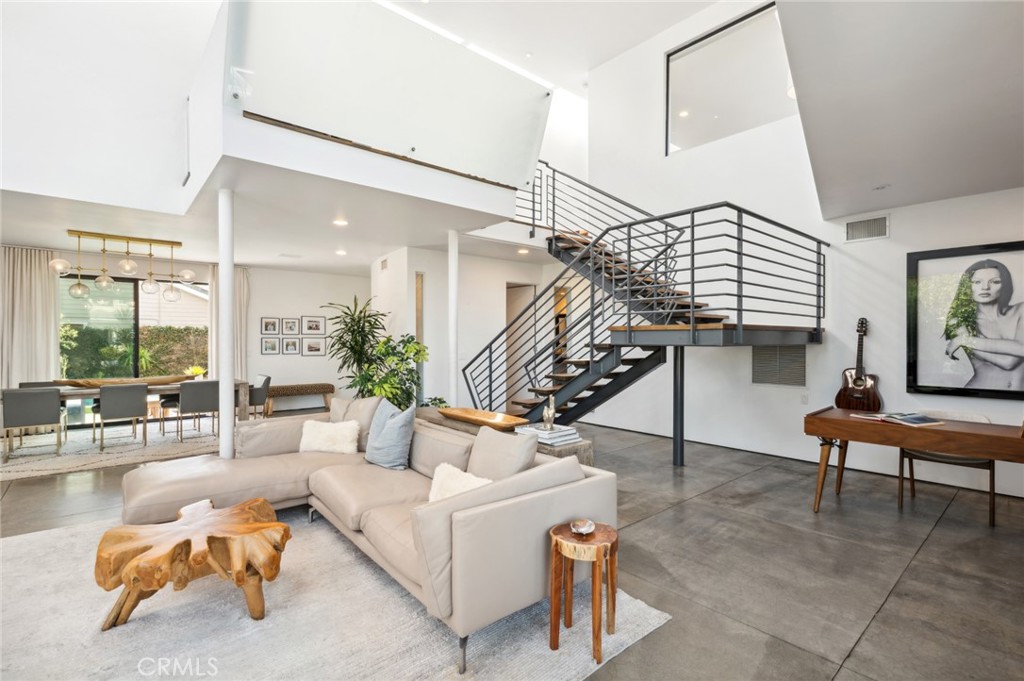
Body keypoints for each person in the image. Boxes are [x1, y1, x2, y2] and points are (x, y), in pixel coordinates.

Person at [944, 258, 1024, 390]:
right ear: (967, 286)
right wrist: (965, 339)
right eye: (977, 282)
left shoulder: (1021, 310)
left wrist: (965, 340)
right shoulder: (960, 322)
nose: (985, 287)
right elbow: (1008, 363)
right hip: (978, 397)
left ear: (1005, 285)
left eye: (995, 282)